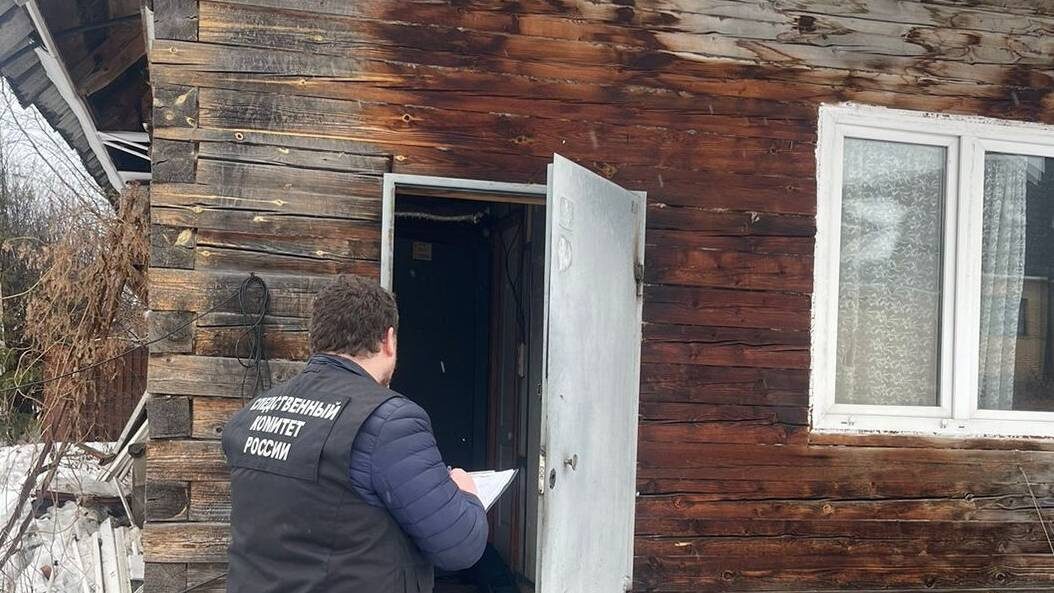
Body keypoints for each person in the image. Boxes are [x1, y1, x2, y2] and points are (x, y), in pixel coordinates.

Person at [221, 274, 488, 593]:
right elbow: (459, 546)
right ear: (389, 340)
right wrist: (467, 493)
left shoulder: (255, 412)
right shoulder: (391, 422)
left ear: (316, 340)